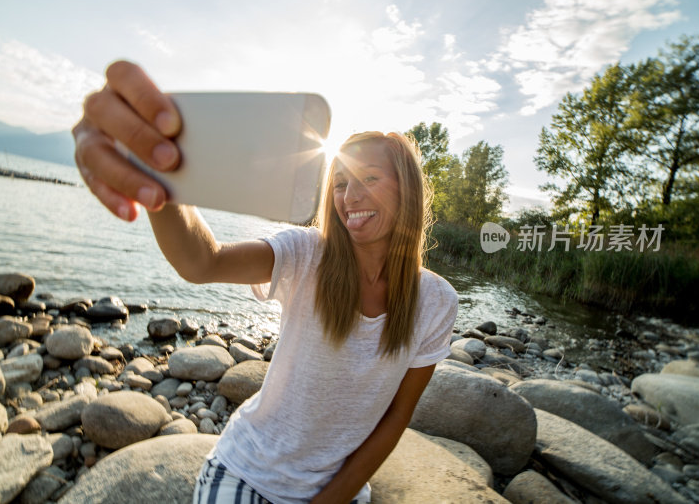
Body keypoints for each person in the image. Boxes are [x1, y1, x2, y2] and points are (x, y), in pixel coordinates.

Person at [73, 60, 458, 504]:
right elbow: (204, 263)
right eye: (340, 183)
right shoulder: (307, 253)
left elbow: (395, 417)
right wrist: (157, 183)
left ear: (406, 189)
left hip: (341, 491)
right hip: (249, 472)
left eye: (370, 179)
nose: (350, 198)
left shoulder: (435, 301)